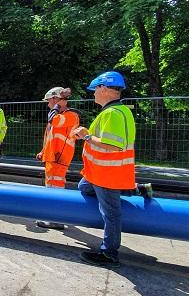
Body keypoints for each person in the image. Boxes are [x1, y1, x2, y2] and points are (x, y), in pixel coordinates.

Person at [70, 71, 151, 268]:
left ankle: (109, 253)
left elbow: (114, 146)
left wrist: (86, 136)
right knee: (83, 187)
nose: (93, 93)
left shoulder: (113, 113)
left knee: (111, 213)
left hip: (107, 174)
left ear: (104, 89)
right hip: (98, 173)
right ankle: (135, 188)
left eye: (95, 89)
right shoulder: (116, 111)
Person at [35, 87, 80, 230]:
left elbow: (54, 121)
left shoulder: (71, 115)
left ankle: (57, 218)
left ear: (56, 99)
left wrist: (58, 104)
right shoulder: (58, 115)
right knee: (51, 186)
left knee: (56, 187)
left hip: (60, 157)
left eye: (50, 100)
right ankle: (52, 216)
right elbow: (49, 135)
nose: (48, 104)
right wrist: (43, 151)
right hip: (52, 156)